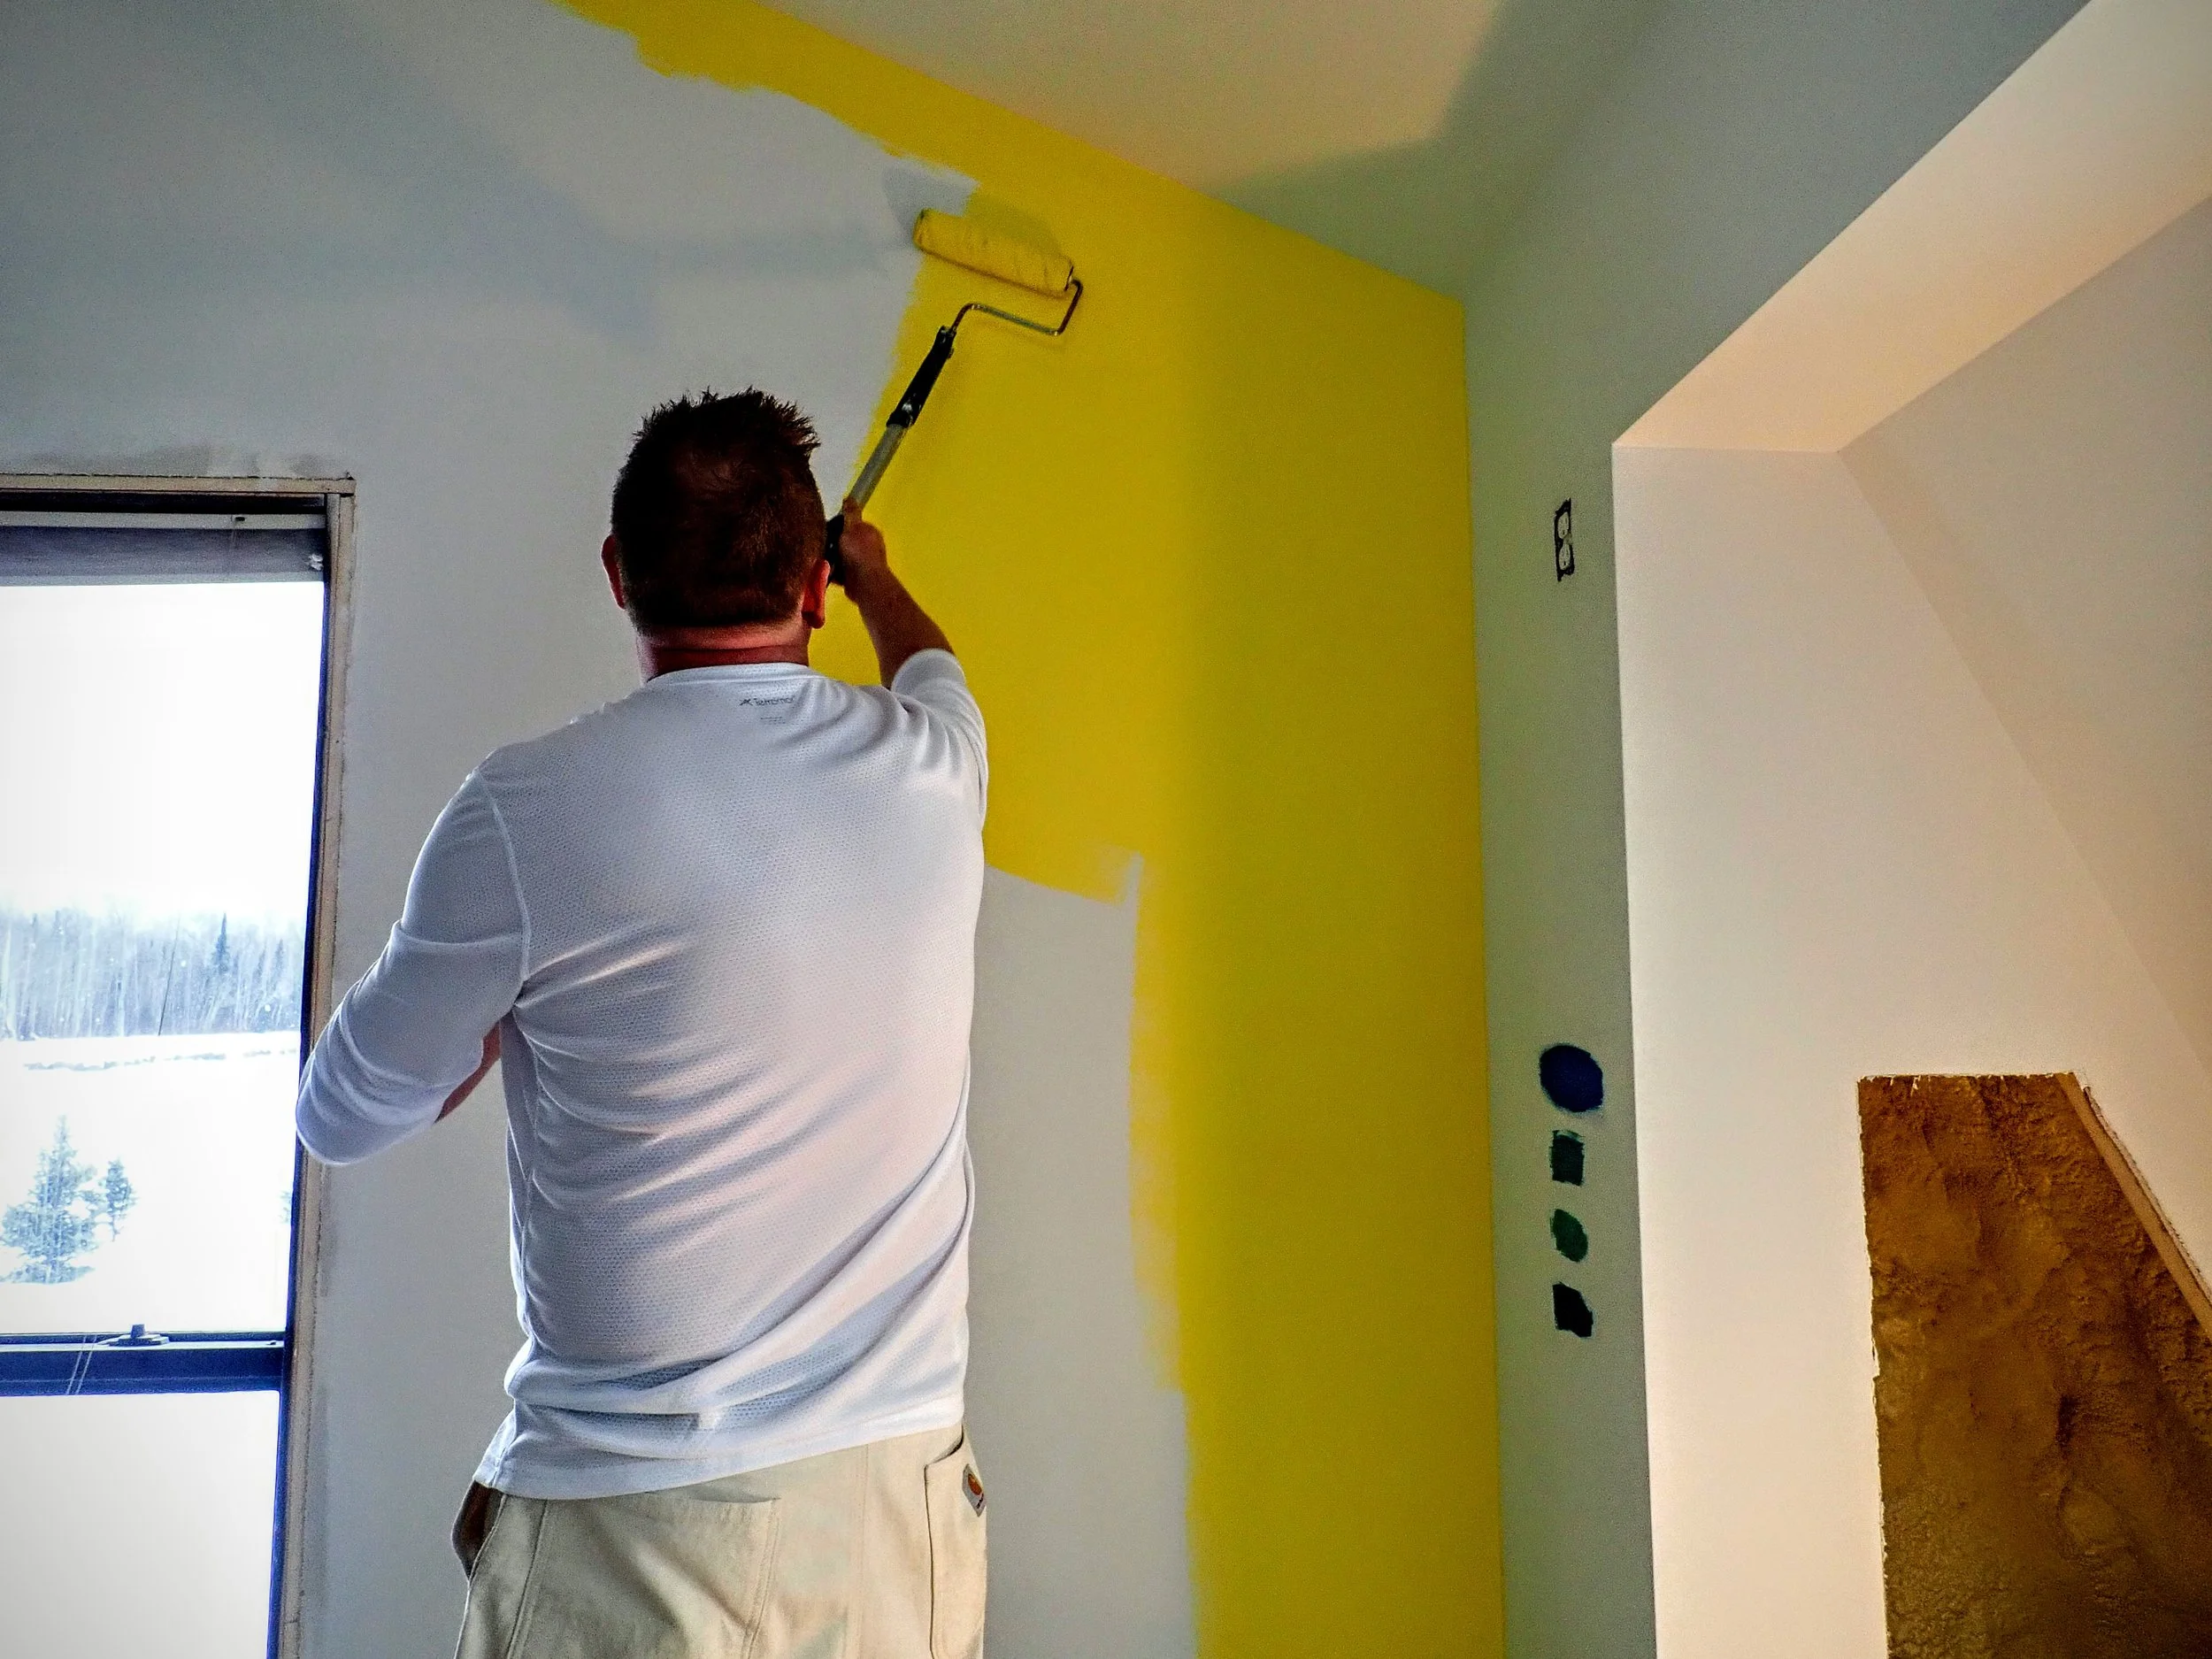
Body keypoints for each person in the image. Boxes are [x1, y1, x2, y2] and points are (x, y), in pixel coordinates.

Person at [296, 389, 989, 1659]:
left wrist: (488, 1025)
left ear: (619, 574)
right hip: (894, 1515)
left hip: (628, 1524)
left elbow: (340, 1114)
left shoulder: (522, 812)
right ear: (815, 583)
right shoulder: (939, 770)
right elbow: (933, 666)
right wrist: (880, 575)